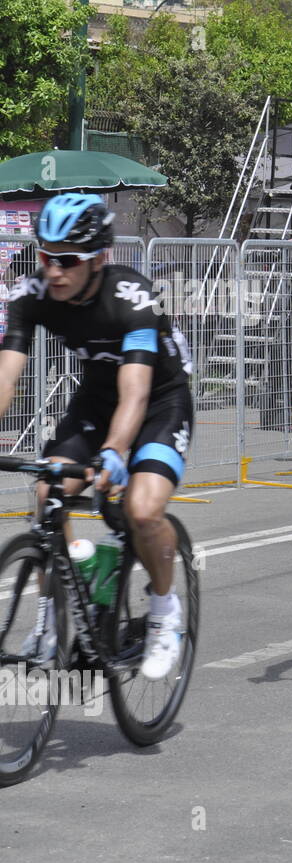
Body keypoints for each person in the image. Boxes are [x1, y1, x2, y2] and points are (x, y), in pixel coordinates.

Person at [0, 193, 193, 678]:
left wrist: (114, 452)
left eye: (67, 260)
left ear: (99, 259)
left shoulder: (133, 298)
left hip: (158, 401)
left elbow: (135, 393)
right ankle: (53, 619)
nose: (54, 270)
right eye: (45, 256)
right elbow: (6, 376)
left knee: (142, 509)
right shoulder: (32, 294)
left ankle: (165, 611)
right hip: (97, 400)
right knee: (48, 491)